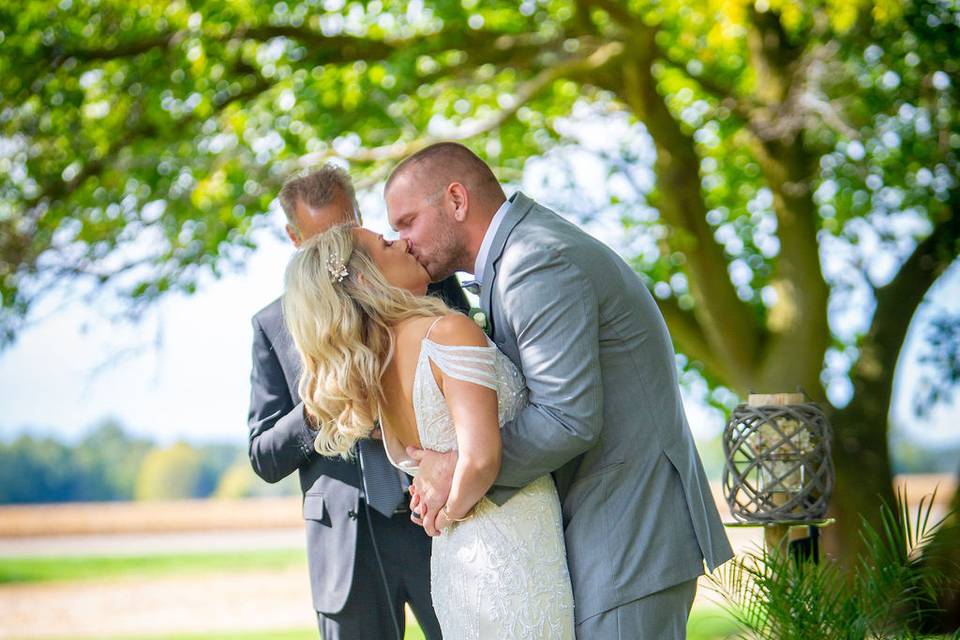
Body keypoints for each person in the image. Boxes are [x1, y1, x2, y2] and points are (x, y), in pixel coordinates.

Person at [385, 142, 734, 639]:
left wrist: (463, 470)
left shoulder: (535, 261)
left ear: (456, 201)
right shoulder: (521, 257)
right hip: (605, 530)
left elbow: (566, 417)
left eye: (406, 222)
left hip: (626, 530)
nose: (402, 241)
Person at [282, 223, 576, 638]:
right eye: (386, 244)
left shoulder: (376, 371)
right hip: (510, 554)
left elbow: (420, 460)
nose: (401, 241)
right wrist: (445, 513)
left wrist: (443, 508)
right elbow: (482, 458)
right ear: (365, 277)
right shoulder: (448, 333)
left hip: (456, 563)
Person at [247, 164, 467, 639]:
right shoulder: (273, 324)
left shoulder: (430, 284)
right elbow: (263, 457)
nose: (339, 254)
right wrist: (319, 409)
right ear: (292, 236)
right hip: (346, 545)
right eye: (321, 240)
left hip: (438, 514)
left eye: (348, 232)